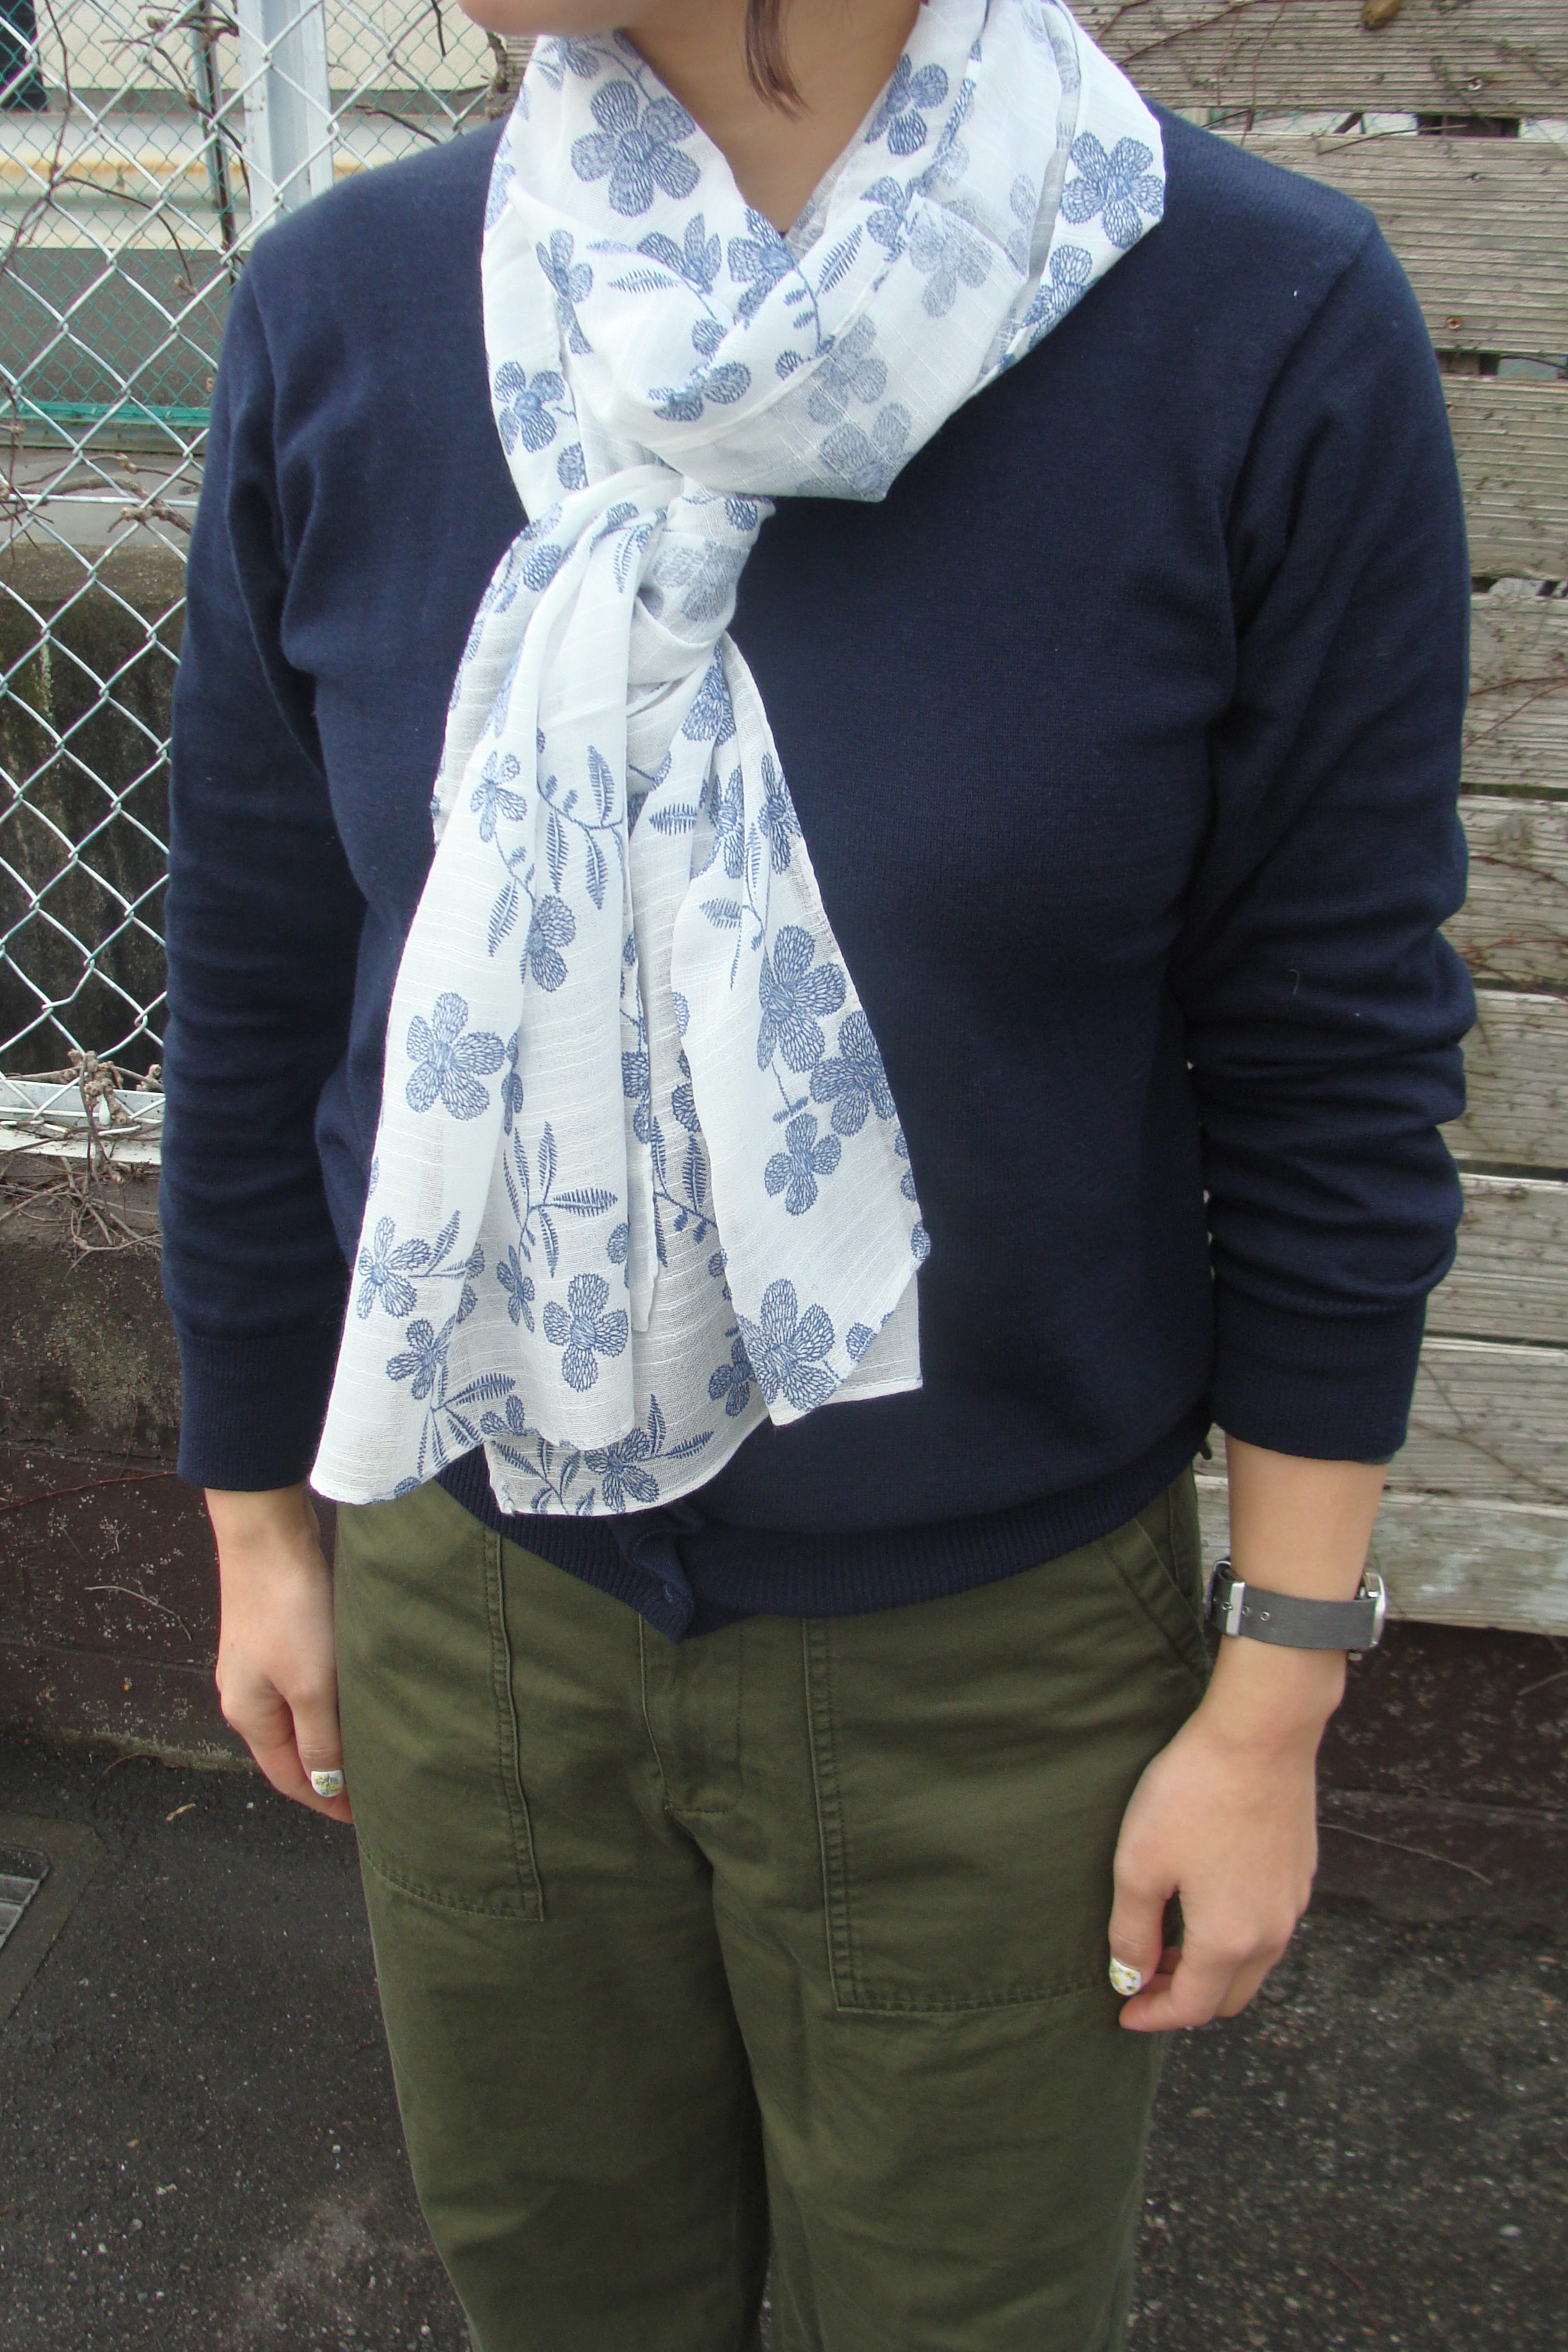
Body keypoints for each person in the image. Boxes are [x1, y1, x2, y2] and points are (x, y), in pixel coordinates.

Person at [161, 0, 1474, 2343]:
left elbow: (1330, 1057)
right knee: (563, 2300)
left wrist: (1277, 1691)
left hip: (991, 1667)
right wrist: (265, 1521)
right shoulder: (353, 312)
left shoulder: (1247, 323)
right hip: (475, 1598)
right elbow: (261, 972)